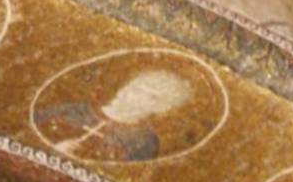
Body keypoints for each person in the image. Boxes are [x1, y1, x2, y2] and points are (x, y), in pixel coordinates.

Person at [34, 69, 193, 162]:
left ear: (160, 108)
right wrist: (51, 150)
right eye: (136, 85)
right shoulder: (73, 110)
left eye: (148, 95)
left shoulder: (144, 141)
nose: (130, 93)